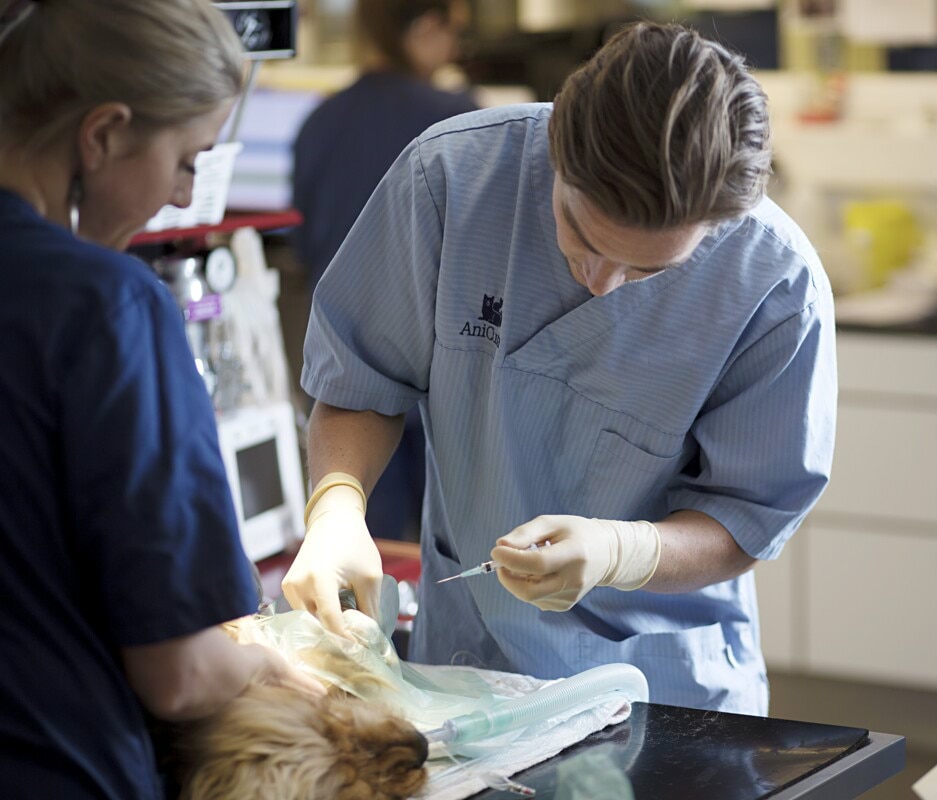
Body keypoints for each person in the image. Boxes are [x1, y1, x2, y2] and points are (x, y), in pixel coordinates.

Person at [284, 22, 836, 714]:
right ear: (555, 151)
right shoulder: (451, 180)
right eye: (581, 235)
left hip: (665, 691)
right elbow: (361, 380)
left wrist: (620, 552)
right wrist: (336, 506)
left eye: (648, 268)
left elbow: (746, 518)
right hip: (466, 673)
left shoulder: (773, 284)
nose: (603, 283)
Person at [0, 1, 320, 797]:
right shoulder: (105, 305)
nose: (183, 200)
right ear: (102, 132)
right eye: (187, 159)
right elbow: (178, 675)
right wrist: (274, 666)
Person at [292, 0, 476, 544]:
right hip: (439, 384)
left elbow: (307, 245)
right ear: (426, 27)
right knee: (446, 560)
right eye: (454, 31)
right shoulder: (459, 122)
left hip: (340, 377)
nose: (456, 48)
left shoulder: (321, 120)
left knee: (351, 551)